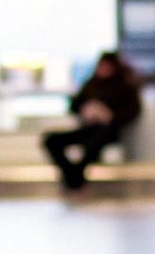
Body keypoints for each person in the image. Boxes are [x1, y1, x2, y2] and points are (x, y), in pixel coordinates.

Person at [42, 52, 141, 191]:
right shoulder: (91, 84)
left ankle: (74, 180)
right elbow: (74, 105)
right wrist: (86, 109)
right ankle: (74, 176)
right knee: (51, 140)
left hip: (109, 131)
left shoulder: (124, 86)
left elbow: (132, 111)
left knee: (96, 139)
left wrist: (108, 114)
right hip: (88, 129)